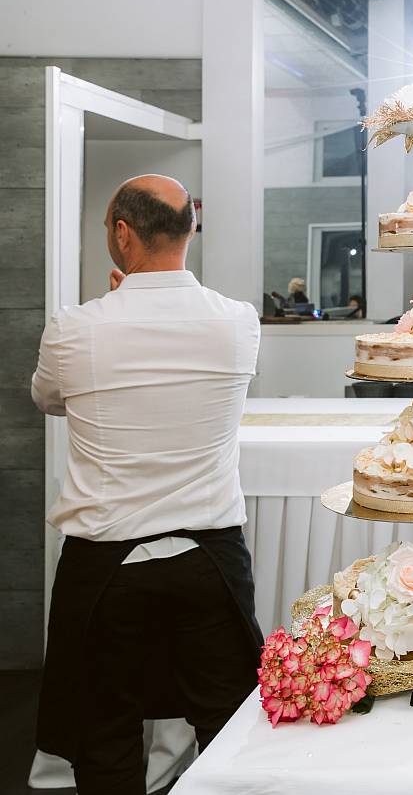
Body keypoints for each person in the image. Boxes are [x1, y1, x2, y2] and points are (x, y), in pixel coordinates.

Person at [30, 175, 262, 793]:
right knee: (228, 730)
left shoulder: (74, 328)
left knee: (104, 735)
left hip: (106, 570)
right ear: (191, 229)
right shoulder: (238, 322)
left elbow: (48, 398)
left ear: (122, 233)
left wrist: (111, 311)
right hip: (209, 564)